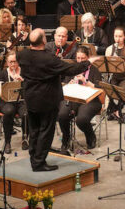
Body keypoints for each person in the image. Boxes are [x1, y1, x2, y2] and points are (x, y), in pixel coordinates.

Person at [17, 28, 90, 171]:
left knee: (34, 129)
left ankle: (34, 157)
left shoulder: (22, 55)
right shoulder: (48, 59)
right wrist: (87, 63)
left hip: (30, 98)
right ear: (43, 41)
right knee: (46, 130)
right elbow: (71, 70)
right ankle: (39, 162)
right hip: (46, 99)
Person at [58, 46, 103, 153]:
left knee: (81, 120)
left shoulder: (94, 70)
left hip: (90, 100)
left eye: (83, 59)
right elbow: (65, 85)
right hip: (74, 98)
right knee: (62, 115)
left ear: (88, 58)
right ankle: (66, 138)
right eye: (78, 58)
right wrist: (70, 83)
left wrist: (85, 81)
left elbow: (99, 89)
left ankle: (90, 136)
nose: (80, 61)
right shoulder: (73, 68)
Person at [0, 52, 27, 154]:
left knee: (26, 113)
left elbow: (31, 88)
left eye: (15, 61)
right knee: (9, 112)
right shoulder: (3, 73)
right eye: (11, 62)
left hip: (21, 101)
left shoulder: (24, 72)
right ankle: (7, 141)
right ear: (7, 63)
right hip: (6, 101)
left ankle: (25, 138)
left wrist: (22, 81)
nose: (13, 64)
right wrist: (10, 86)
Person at [105, 26, 125, 118]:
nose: (117, 39)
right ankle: (115, 111)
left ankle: (117, 111)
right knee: (109, 90)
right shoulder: (109, 49)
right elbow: (106, 67)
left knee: (121, 91)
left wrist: (122, 62)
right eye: (116, 36)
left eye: (120, 36)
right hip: (114, 76)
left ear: (124, 36)